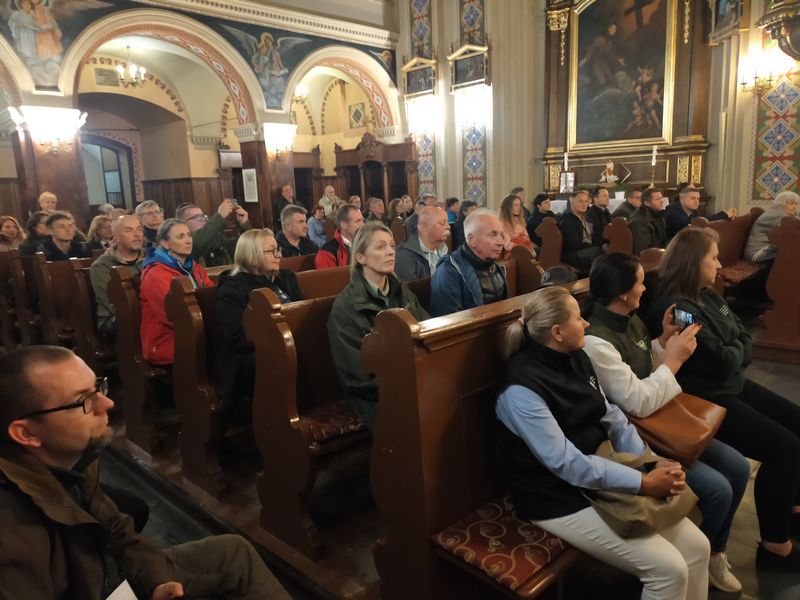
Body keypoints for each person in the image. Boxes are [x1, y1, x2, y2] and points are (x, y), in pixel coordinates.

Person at [0, 345, 289, 600]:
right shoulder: (13, 532)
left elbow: (119, 533)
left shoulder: (74, 460)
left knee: (233, 552)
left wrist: (156, 581)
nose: (107, 404)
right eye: (83, 401)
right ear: (27, 433)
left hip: (104, 575)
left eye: (97, 388)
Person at [494, 286, 710, 600]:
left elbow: (611, 415)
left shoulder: (576, 355)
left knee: (698, 548)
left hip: (599, 468)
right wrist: (642, 483)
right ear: (557, 331)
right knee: (668, 570)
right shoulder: (520, 388)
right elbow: (564, 463)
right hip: (554, 494)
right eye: (578, 319)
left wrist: (649, 460)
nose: (587, 324)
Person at [582, 253, 749, 592]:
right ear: (623, 293)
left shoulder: (629, 317)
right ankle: (689, 558)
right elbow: (636, 402)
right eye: (640, 283)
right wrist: (674, 361)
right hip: (635, 438)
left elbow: (644, 365)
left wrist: (663, 343)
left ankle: (713, 552)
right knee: (717, 490)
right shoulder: (596, 341)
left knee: (738, 466)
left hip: (660, 420)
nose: (645, 288)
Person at [646, 227, 800, 570]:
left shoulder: (707, 295)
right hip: (704, 399)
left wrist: (736, 349)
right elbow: (719, 360)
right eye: (712, 258)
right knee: (784, 447)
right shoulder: (676, 307)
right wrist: (736, 350)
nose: (718, 265)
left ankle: (790, 503)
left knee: (797, 422)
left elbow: (742, 336)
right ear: (692, 261)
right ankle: (775, 546)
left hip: (730, 384)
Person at [327, 222, 428, 431]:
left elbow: (428, 331)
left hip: (410, 381)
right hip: (371, 394)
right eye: (380, 247)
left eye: (391, 245)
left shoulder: (402, 292)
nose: (391, 252)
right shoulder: (346, 307)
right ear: (360, 257)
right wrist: (407, 384)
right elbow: (357, 374)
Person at [215, 229, 303, 410]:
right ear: (252, 253)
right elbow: (237, 335)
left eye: (278, 250)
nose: (279, 255)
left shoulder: (284, 279)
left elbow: (303, 309)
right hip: (247, 358)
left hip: (291, 343)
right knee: (278, 358)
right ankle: (282, 417)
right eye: (272, 251)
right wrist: (280, 340)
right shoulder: (233, 289)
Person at [140, 219, 213, 366]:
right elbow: (174, 315)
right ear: (165, 243)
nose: (188, 241)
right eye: (180, 237)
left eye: (189, 235)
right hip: (166, 339)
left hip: (196, 328)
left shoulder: (194, 267)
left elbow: (211, 296)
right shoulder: (156, 273)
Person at [429, 209, 508, 317]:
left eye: (501, 235)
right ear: (472, 240)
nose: (501, 242)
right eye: (493, 234)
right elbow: (450, 324)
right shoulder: (449, 271)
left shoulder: (496, 267)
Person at [90, 215, 146, 342]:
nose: (137, 234)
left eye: (139, 229)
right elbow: (114, 305)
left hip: (148, 313)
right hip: (114, 320)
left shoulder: (151, 257)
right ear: (116, 236)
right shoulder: (102, 266)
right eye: (129, 230)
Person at [176, 200, 251, 267]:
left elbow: (240, 248)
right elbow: (196, 244)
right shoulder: (182, 244)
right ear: (183, 223)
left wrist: (244, 226)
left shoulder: (214, 237)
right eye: (197, 217)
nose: (202, 219)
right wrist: (220, 216)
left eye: (203, 216)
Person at [395, 206, 450, 282]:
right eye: (442, 223)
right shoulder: (404, 256)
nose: (448, 227)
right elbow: (411, 292)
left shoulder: (445, 250)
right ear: (425, 225)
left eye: (448, 222)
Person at [744, 190, 799, 263]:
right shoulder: (775, 215)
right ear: (781, 204)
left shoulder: (779, 213)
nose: (795, 207)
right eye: (791, 204)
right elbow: (792, 227)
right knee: (793, 255)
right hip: (758, 252)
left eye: (796, 203)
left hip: (767, 250)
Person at [664, 186, 735, 239]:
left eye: (698, 198)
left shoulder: (694, 212)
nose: (696, 201)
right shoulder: (672, 210)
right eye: (693, 198)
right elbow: (696, 223)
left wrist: (727, 214)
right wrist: (724, 214)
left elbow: (702, 221)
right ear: (682, 199)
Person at [558, 190, 604, 273]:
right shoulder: (566, 221)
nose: (584, 204)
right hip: (573, 253)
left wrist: (603, 244)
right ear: (572, 203)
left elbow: (596, 235)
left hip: (588, 249)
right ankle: (596, 278)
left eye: (586, 201)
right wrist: (595, 245)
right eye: (580, 201)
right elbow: (574, 243)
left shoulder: (588, 218)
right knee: (596, 251)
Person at [315, 203, 364, 269]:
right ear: (343, 225)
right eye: (358, 221)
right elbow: (329, 278)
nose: (363, 225)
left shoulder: (367, 244)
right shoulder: (327, 252)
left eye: (362, 220)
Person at [629, 188, 667, 254]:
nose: (661, 201)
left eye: (661, 198)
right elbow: (644, 251)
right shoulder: (639, 221)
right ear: (647, 203)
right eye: (657, 199)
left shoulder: (658, 214)